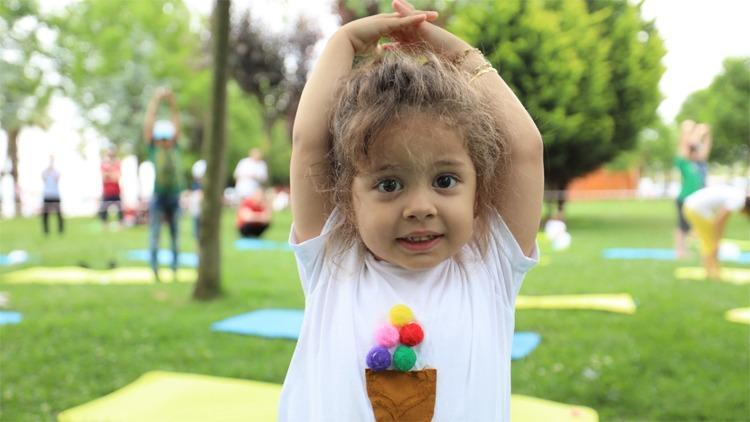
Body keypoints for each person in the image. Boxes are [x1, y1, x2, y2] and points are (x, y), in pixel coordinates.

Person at [279, 1, 543, 420]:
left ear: (479, 190)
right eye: (388, 184)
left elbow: (524, 150)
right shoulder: (334, 261)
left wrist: (463, 57)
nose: (420, 208)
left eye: (444, 181)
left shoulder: (489, 266)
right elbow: (309, 143)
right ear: (349, 199)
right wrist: (343, 41)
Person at [143, 88, 184, 282]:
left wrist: (172, 102)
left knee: (175, 236)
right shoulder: (153, 148)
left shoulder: (175, 145)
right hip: (158, 196)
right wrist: (156, 100)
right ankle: (154, 269)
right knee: (155, 235)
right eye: (162, 139)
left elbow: (177, 123)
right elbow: (149, 125)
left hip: (174, 196)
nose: (165, 142)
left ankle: (174, 269)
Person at [683, 185, 750, 279]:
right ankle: (712, 272)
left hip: (691, 205)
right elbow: (720, 220)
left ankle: (711, 270)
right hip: (696, 208)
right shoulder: (738, 200)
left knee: (708, 241)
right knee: (710, 242)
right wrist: (717, 238)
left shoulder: (738, 194)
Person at [674, 120, 711, 258]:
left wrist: (706, 134)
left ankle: (694, 249)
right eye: (693, 151)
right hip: (684, 198)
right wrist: (687, 131)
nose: (697, 153)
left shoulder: (700, 163)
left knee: (696, 225)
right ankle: (680, 252)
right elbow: (684, 145)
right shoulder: (683, 162)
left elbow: (705, 148)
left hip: (698, 199)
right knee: (682, 227)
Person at [98, 147, 123, 228]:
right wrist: (111, 174)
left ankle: (120, 224)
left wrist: (108, 173)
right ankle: (105, 225)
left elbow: (117, 177)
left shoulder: (117, 164)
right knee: (104, 210)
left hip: (116, 191)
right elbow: (103, 177)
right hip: (106, 192)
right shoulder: (103, 164)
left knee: (120, 209)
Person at [41, 156, 63, 235]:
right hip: (47, 194)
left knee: (59, 213)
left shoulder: (56, 172)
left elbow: (57, 178)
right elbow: (44, 178)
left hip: (55, 195)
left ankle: (60, 230)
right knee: (45, 214)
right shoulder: (45, 172)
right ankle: (46, 231)